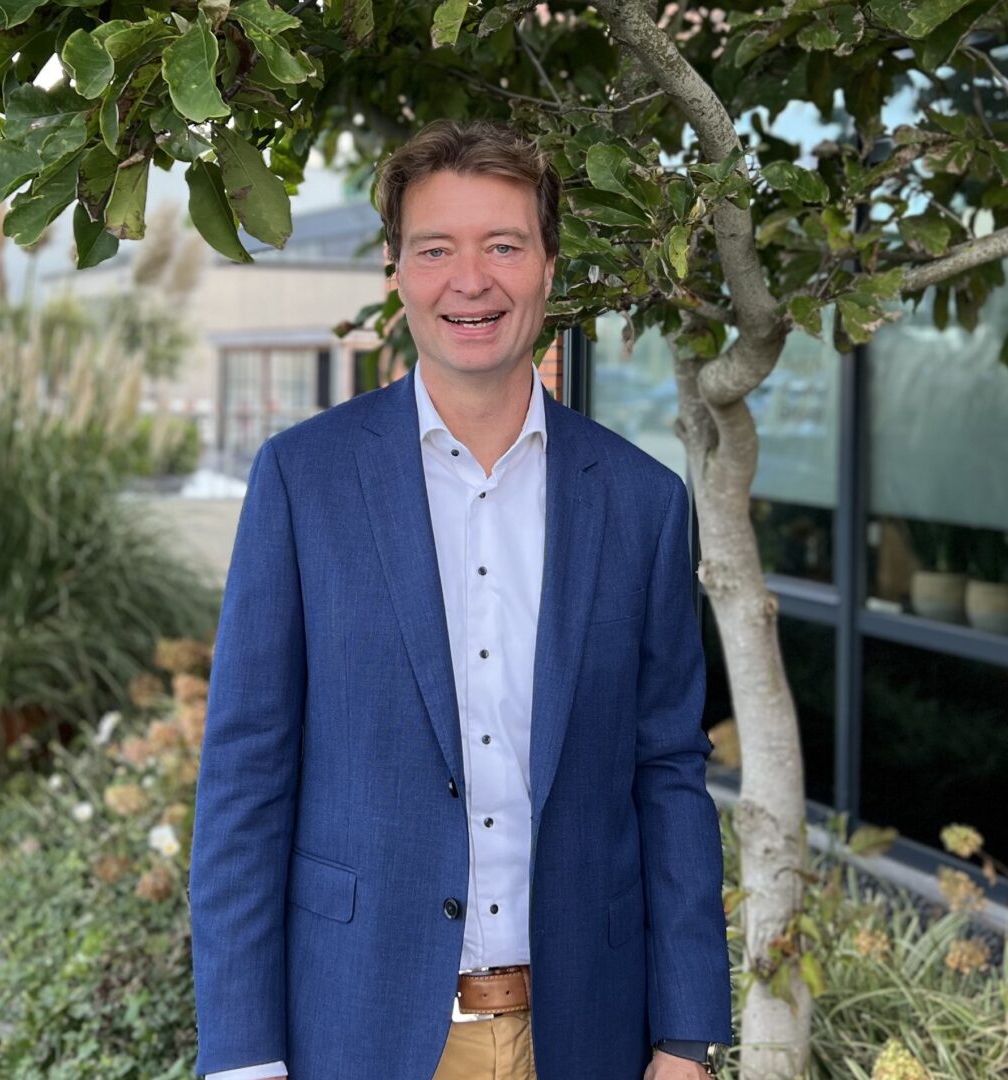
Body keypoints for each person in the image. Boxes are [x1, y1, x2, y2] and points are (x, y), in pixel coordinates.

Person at [187, 119, 732, 1080]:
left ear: (550, 269)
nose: (469, 280)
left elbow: (669, 775)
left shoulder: (645, 503)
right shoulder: (302, 481)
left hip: (579, 1031)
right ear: (397, 272)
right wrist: (241, 1057)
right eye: (436, 249)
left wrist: (687, 1034)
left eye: (504, 246)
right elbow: (244, 780)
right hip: (357, 1026)